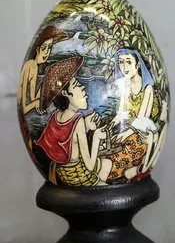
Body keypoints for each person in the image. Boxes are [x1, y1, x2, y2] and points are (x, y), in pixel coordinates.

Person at [34, 57, 112, 186]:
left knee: (107, 163)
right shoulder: (78, 121)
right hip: (78, 175)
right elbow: (90, 166)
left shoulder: (56, 115)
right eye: (77, 86)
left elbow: (66, 137)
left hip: (62, 172)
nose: (84, 90)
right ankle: (92, 198)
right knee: (106, 167)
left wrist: (87, 127)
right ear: (65, 93)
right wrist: (96, 137)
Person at [107, 48, 159, 181]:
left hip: (143, 131)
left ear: (137, 65)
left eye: (128, 62)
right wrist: (108, 128)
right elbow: (121, 114)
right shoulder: (125, 85)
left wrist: (124, 134)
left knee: (122, 152)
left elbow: (142, 118)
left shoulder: (147, 88)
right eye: (121, 62)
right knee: (109, 144)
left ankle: (124, 174)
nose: (124, 67)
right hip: (127, 128)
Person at [18, 26, 69, 116]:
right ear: (37, 49)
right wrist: (37, 102)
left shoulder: (38, 66)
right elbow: (25, 108)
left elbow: (35, 100)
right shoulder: (31, 65)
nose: (46, 52)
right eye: (43, 48)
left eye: (49, 47)